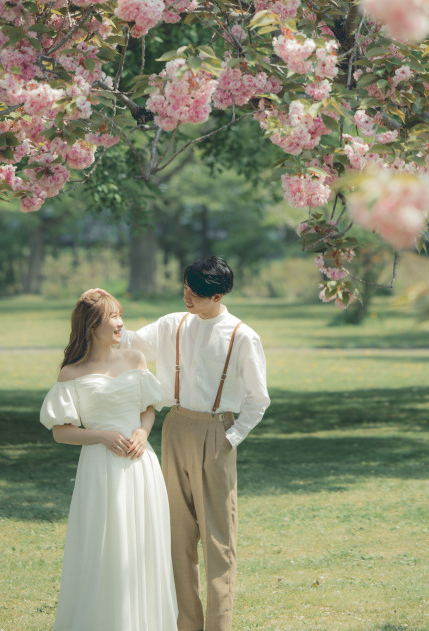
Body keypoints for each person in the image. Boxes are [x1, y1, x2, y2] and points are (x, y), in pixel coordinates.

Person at [123, 256, 270, 631]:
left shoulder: (241, 336)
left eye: (196, 292)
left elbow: (258, 399)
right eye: (185, 287)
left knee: (218, 541)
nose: (187, 295)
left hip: (215, 432)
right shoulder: (174, 323)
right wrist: (102, 315)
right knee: (176, 536)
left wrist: (230, 438)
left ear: (217, 295)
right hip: (174, 426)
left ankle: (218, 626)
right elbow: (131, 343)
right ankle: (186, 624)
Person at [40, 288, 178, 631]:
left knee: (144, 547)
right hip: (100, 470)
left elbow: (148, 408)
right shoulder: (72, 373)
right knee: (105, 548)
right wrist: (101, 435)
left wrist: (143, 433)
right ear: (91, 326)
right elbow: (61, 431)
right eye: (112, 317)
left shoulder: (134, 360)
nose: (120, 323)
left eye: (120, 315)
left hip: (140, 466)